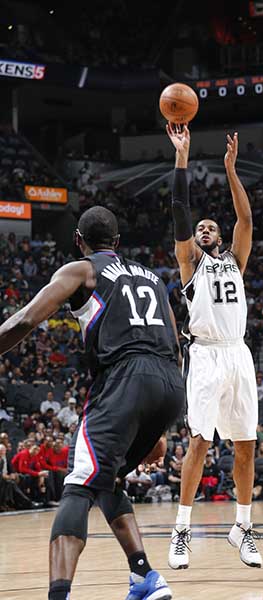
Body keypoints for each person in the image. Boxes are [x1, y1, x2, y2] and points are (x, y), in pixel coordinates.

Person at [0, 205, 185, 600]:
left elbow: (25, 320)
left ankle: (57, 595)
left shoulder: (82, 270)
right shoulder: (153, 277)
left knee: (77, 483)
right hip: (170, 383)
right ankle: (145, 579)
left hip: (126, 379)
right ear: (118, 243)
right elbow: (175, 341)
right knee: (108, 478)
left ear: (79, 241)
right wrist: (160, 424)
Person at [166, 124, 262, 569]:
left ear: (219, 237)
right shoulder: (190, 263)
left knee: (246, 446)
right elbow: (181, 210)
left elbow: (245, 219)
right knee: (199, 442)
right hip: (204, 353)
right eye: (199, 228)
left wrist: (230, 168)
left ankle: (242, 527)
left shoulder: (235, 262)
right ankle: (181, 529)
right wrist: (182, 157)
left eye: (210, 227)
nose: (203, 228)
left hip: (238, 353)